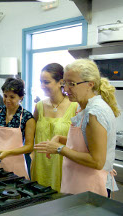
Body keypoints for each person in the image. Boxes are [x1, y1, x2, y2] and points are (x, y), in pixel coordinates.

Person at [34, 59, 120, 197]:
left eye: (71, 84)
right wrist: (61, 140)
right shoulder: (83, 108)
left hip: (90, 188)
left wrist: (59, 149)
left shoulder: (95, 113)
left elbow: (97, 161)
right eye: (65, 83)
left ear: (89, 84)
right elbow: (85, 144)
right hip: (76, 184)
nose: (66, 89)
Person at [30, 63, 78, 192]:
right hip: (40, 165)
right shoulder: (39, 106)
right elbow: (30, 132)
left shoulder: (75, 107)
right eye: (41, 82)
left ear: (60, 82)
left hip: (63, 165)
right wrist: (31, 153)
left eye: (46, 82)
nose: (42, 86)